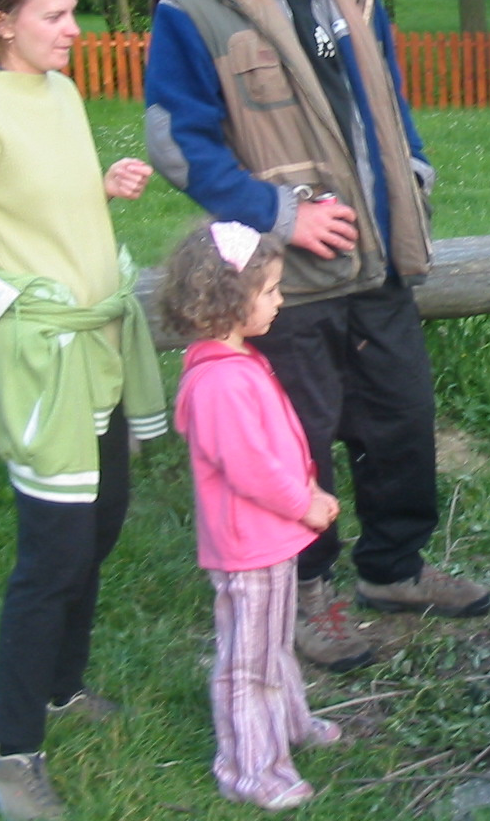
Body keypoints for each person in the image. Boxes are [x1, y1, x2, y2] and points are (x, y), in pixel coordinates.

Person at [144, 0, 489, 675]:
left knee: (401, 418)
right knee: (296, 441)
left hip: (378, 255)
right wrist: (278, 214)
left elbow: (389, 94)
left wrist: (412, 168)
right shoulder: (194, 7)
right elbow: (177, 144)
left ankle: (396, 570)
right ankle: (306, 596)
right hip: (283, 278)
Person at [0, 0, 167, 821]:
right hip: (34, 360)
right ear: (2, 22)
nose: (74, 29)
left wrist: (101, 186)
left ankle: (61, 689)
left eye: (73, 11)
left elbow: (46, 200)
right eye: (56, 15)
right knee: (52, 555)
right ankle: (9, 754)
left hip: (96, 341)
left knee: (99, 525)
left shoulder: (58, 92)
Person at [160, 220, 346, 811]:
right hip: (251, 544)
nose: (279, 299)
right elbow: (250, 468)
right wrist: (305, 502)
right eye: (269, 290)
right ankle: (249, 767)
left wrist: (303, 489)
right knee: (249, 662)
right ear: (228, 300)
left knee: (272, 646)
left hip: (268, 538)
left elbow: (269, 447)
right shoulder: (220, 381)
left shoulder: (237, 361)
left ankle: (290, 725)